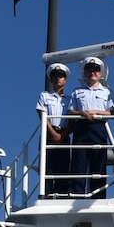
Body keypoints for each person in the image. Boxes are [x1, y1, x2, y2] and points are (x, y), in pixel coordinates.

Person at [68, 55, 114, 197]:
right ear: (85, 73)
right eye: (89, 70)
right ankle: (76, 193)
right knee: (78, 162)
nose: (92, 73)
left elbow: (113, 111)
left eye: (95, 70)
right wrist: (82, 113)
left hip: (98, 128)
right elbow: (70, 111)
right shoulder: (77, 92)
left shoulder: (107, 92)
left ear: (100, 73)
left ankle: (98, 195)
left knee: (98, 163)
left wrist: (96, 112)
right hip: (81, 127)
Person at [38, 61, 71, 197]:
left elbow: (73, 119)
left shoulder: (70, 99)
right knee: (48, 167)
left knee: (63, 167)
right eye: (55, 76)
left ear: (65, 79)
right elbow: (42, 114)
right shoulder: (44, 96)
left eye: (61, 76)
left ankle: (61, 194)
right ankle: (47, 194)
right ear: (51, 79)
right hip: (49, 134)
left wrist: (63, 135)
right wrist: (53, 133)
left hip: (64, 133)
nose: (58, 78)